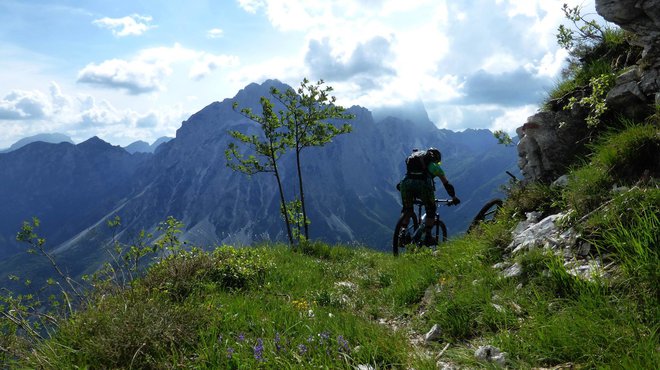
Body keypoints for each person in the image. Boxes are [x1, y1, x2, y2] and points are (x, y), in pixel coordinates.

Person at [397, 147, 460, 246]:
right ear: (436, 159)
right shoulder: (435, 167)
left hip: (405, 184)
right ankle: (428, 237)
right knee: (431, 209)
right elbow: (447, 184)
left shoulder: (415, 160)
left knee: (407, 209)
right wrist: (454, 197)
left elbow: (410, 175)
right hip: (423, 186)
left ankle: (402, 232)